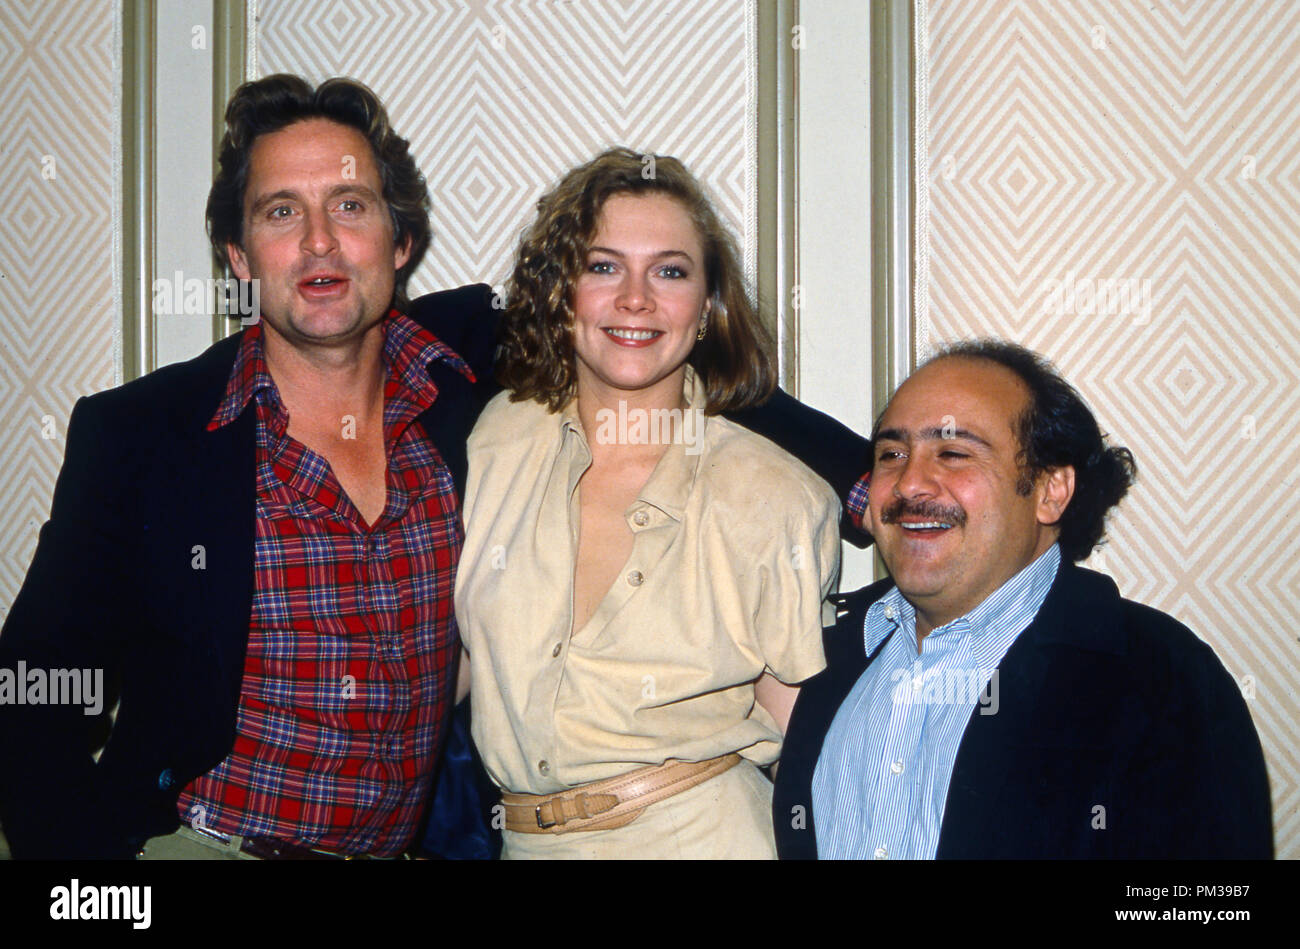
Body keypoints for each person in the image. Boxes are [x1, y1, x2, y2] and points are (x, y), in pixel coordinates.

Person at [0, 74, 499, 859]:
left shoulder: (468, 391)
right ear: (240, 258)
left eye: (349, 204)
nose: (319, 240)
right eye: (280, 212)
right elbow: (31, 695)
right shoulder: (144, 438)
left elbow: (655, 343)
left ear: (399, 242)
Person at [453, 148, 847, 858]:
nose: (636, 299)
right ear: (560, 293)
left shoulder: (774, 494)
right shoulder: (495, 443)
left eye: (670, 271)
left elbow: (814, 742)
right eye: (603, 266)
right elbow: (456, 663)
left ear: (706, 308)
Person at [774, 340, 1273, 859]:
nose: (910, 482)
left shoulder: (1159, 676)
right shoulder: (828, 658)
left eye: (954, 453)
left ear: (1050, 491)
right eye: (891, 454)